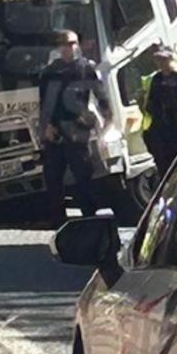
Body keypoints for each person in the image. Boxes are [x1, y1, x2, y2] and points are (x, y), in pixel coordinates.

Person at [38, 29, 111, 218]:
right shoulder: (50, 72)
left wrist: (106, 118)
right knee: (53, 179)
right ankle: (60, 222)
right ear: (59, 47)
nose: (69, 48)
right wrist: (46, 126)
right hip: (55, 131)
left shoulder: (86, 68)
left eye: (72, 43)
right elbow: (44, 102)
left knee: (83, 176)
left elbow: (100, 94)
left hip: (78, 129)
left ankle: (88, 218)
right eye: (65, 44)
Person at [138, 44, 177, 174]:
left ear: (171, 59)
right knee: (163, 166)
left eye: (163, 59)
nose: (160, 63)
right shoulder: (153, 80)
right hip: (160, 130)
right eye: (158, 59)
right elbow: (145, 103)